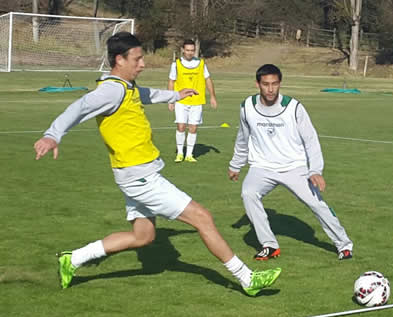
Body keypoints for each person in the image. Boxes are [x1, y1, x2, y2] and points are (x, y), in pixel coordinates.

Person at [33, 32, 281, 295]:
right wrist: (52, 134)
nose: (142, 64)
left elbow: (146, 94)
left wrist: (175, 95)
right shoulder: (110, 90)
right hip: (140, 178)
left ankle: (72, 259)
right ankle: (247, 278)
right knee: (203, 218)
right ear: (119, 59)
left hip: (134, 175)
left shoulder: (125, 87)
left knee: (143, 237)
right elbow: (79, 107)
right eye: (137, 59)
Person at [228, 64, 354, 261]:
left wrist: (315, 170)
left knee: (316, 204)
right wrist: (236, 165)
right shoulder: (247, 107)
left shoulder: (293, 107)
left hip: (295, 167)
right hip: (262, 167)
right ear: (257, 84)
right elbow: (242, 138)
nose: (270, 89)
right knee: (248, 193)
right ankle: (269, 245)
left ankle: (343, 245)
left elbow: (311, 140)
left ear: (280, 84)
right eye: (266, 84)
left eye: (275, 84)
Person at [168, 39, 218, 163]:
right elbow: (171, 81)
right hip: (181, 101)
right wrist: (171, 99)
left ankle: (189, 155)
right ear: (183, 50)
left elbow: (208, 80)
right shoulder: (176, 64)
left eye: (192, 50)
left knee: (193, 128)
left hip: (197, 101)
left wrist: (212, 96)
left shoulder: (201, 63)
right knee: (181, 126)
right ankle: (180, 153)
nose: (190, 53)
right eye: (188, 50)